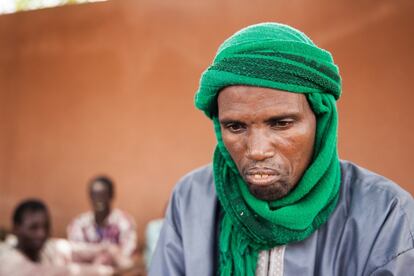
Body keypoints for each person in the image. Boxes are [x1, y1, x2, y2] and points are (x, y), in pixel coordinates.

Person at [149, 23, 414, 275]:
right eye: (236, 127)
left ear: (321, 122)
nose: (257, 150)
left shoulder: (386, 215)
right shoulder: (191, 199)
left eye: (281, 123)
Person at [0, 199, 114, 275]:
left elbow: (82, 250)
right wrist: (99, 270)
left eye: (46, 226)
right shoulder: (7, 260)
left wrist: (104, 255)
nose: (41, 234)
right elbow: (46, 273)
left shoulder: (46, 248)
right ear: (16, 229)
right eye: (33, 228)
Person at [67, 176, 137, 261]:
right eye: (95, 195)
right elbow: (76, 253)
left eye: (103, 195)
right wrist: (104, 249)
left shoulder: (124, 221)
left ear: (111, 195)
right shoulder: (79, 223)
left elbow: (126, 255)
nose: (98, 200)